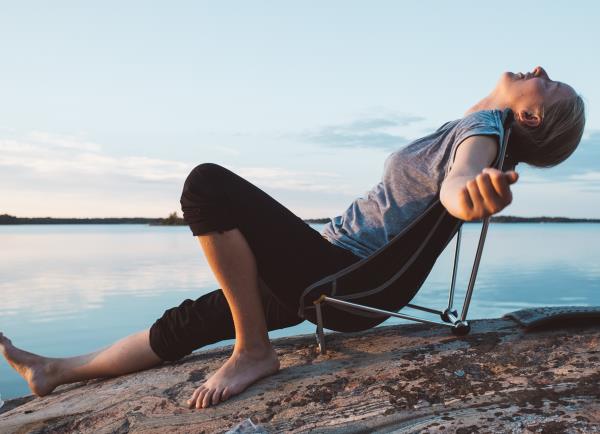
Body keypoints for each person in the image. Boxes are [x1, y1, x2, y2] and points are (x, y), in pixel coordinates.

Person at [0, 66, 586, 409]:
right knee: (198, 318)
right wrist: (465, 190)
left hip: (341, 271)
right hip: (342, 273)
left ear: (531, 119)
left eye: (549, 82)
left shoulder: (482, 134)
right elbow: (457, 177)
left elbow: (460, 181)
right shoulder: (475, 129)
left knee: (207, 186)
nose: (537, 69)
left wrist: (472, 194)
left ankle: (254, 351)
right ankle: (56, 372)